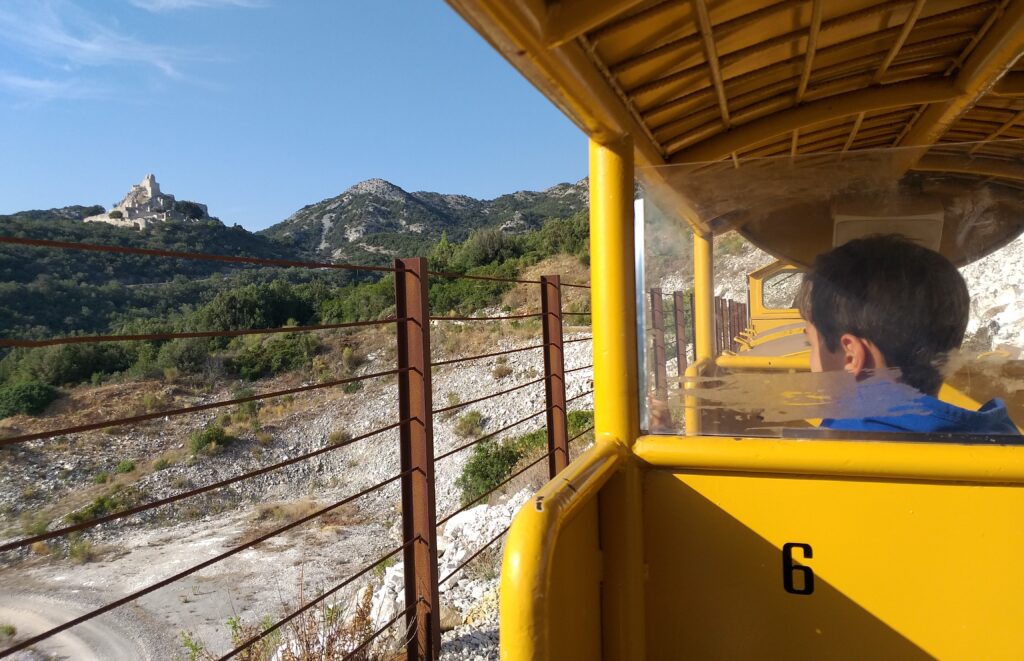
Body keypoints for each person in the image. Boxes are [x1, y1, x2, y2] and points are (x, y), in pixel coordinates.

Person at [797, 234, 1020, 436]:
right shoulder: (1001, 439)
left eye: (812, 345)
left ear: (851, 357)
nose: (811, 363)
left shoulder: (829, 453)